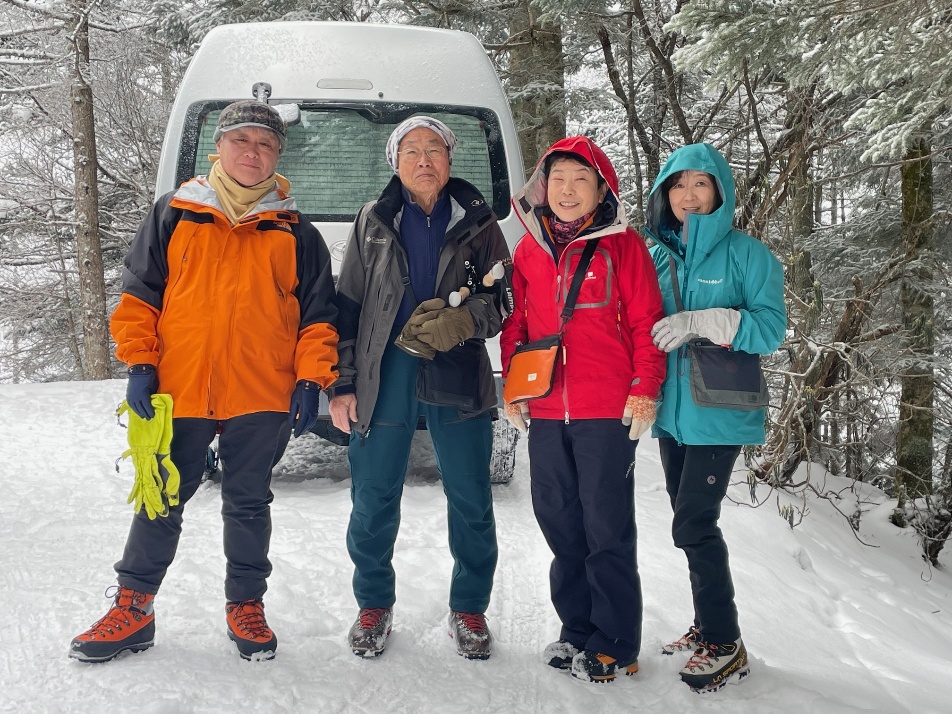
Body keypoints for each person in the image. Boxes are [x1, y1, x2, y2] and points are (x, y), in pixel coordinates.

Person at [69, 100, 340, 663]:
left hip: (262, 392)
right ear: (219, 147)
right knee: (160, 498)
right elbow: (140, 295)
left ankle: (246, 605)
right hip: (181, 388)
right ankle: (134, 608)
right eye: (241, 140)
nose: (252, 152)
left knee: (248, 503)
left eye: (265, 144)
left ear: (277, 155)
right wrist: (140, 364)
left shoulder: (298, 233)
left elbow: (319, 317)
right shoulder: (175, 214)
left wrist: (311, 379)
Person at [327, 116, 510, 660]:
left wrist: (467, 319)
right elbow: (348, 306)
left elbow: (503, 300)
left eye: (434, 149)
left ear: (450, 160)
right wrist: (342, 382)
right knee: (373, 494)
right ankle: (373, 604)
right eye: (412, 150)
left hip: (457, 369)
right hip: (385, 371)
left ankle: (469, 607)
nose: (424, 159)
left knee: (471, 495)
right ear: (396, 161)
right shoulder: (373, 221)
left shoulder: (479, 221)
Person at [499, 137, 666, 683]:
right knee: (560, 521)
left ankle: (616, 642)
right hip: (548, 410)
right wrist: (514, 387)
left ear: (601, 189)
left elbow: (645, 321)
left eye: (580, 179)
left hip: (605, 410)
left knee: (605, 525)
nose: (567, 190)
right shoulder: (529, 249)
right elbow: (517, 324)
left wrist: (645, 386)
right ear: (542, 187)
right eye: (558, 179)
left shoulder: (624, 246)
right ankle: (577, 630)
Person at [643, 142, 786, 692]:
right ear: (665, 194)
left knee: (694, 525)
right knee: (688, 522)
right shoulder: (656, 256)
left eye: (700, 183)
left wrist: (702, 321)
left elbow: (770, 329)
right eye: (678, 184)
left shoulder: (748, 255)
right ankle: (707, 626)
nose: (689, 194)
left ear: (719, 193)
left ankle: (726, 643)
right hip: (673, 415)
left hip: (720, 413)